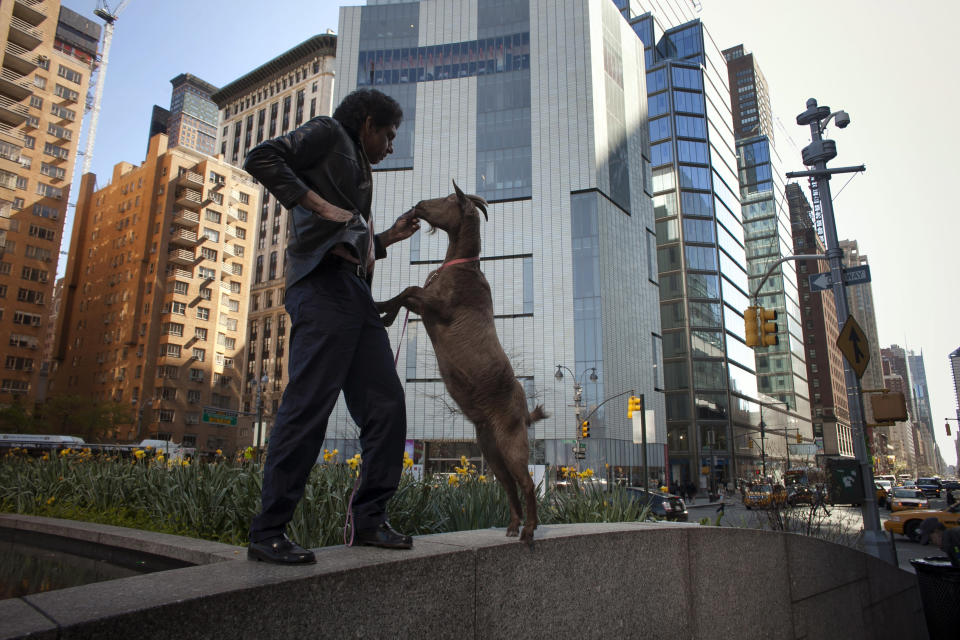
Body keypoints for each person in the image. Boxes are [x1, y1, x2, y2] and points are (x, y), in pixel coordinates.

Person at [244, 88, 421, 564]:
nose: (391, 145)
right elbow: (260, 157)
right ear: (367, 122)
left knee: (387, 407)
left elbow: (352, 241)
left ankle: (369, 520)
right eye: (388, 134)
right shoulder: (327, 131)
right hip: (321, 290)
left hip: (354, 295)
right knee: (308, 408)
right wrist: (321, 206)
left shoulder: (361, 168)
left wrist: (387, 238)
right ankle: (268, 533)